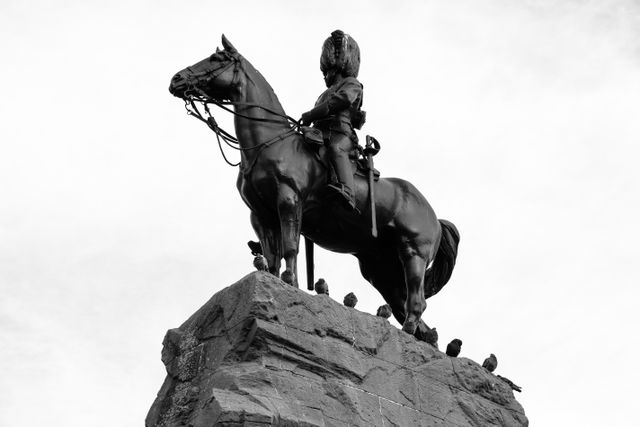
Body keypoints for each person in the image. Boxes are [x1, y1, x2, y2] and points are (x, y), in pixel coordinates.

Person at [300, 30, 365, 211]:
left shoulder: (352, 83)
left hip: (341, 134)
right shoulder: (323, 93)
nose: (324, 75)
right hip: (321, 133)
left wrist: (311, 114)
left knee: (336, 149)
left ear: (335, 66)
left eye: (326, 71)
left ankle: (348, 191)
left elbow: (342, 100)